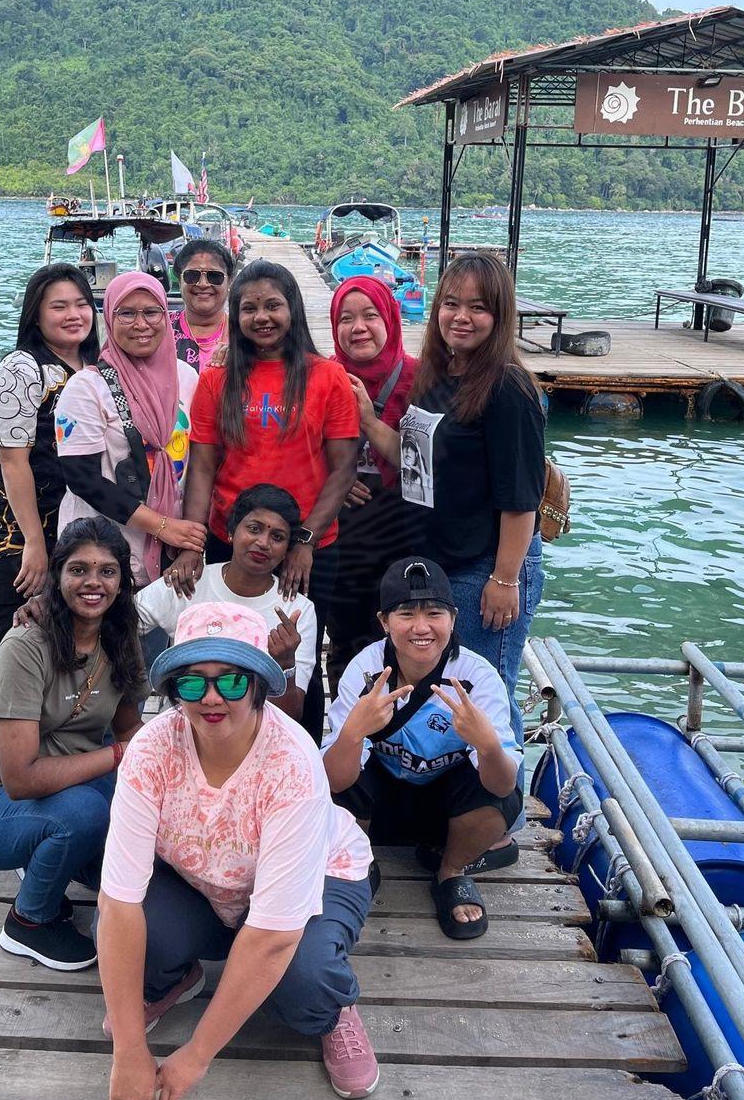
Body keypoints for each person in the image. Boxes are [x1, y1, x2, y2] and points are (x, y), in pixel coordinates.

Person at [96, 601, 379, 1100]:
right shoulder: (150, 749)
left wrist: (196, 1054)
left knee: (305, 983)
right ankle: (176, 978)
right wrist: (129, 1049)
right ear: (173, 690)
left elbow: (273, 936)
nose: (210, 698)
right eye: (191, 683)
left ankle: (335, 1009)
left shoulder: (292, 764)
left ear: (257, 685)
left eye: (230, 681)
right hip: (206, 882)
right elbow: (118, 902)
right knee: (127, 932)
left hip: (318, 879)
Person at [350, 250, 545, 750]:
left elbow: (522, 499)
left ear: (500, 316)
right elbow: (414, 459)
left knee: (484, 694)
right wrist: (369, 421)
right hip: (440, 560)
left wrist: (505, 579)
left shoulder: (508, 388)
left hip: (486, 564)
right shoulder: (439, 376)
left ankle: (505, 796)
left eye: (478, 308)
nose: (461, 317)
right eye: (451, 304)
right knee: (447, 692)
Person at [0, 518, 148, 971]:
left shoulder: (121, 639)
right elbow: (20, 780)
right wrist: (118, 756)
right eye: (78, 570)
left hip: (68, 780)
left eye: (107, 571)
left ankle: (54, 856)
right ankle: (29, 921)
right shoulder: (25, 646)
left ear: (122, 581)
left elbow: (128, 730)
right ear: (56, 577)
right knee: (86, 813)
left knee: (137, 811)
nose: (93, 582)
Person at [168, 262, 359, 740]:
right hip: (229, 540)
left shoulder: (328, 377)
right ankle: (219, 749)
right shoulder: (217, 381)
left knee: (298, 658)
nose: (262, 317)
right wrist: (192, 545)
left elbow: (343, 468)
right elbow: (202, 468)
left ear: (293, 308)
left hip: (309, 547)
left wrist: (305, 541)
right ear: (236, 316)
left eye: (273, 305)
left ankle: (299, 755)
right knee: (222, 657)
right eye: (249, 308)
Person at [323, 558, 522, 940]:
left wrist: (487, 745)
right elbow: (333, 781)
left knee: (501, 795)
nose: (421, 627)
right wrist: (353, 734)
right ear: (384, 622)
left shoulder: (478, 676)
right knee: (333, 782)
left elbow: (501, 786)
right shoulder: (365, 670)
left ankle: (451, 871)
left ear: (453, 618)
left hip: (443, 811)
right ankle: (359, 863)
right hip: (381, 806)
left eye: (434, 613)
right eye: (406, 614)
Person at [0, 265, 101, 737]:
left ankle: (40, 747)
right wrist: (35, 545)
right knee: (3, 646)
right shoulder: (21, 369)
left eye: (81, 304)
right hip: (18, 536)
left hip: (74, 532)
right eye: (58, 306)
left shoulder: (94, 366)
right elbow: (12, 460)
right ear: (35, 315)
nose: (73, 315)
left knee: (64, 644)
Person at [55, 271, 207, 587]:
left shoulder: (186, 377)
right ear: (109, 319)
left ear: (166, 316)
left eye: (151, 312)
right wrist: (162, 526)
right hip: (101, 556)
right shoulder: (87, 387)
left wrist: (188, 541)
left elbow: (199, 466)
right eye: (126, 313)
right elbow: (83, 479)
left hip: (171, 549)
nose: (141, 324)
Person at [136, 484, 317, 720]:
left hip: (256, 735)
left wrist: (285, 664)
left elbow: (290, 715)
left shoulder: (297, 609)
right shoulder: (189, 581)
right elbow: (119, 622)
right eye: (254, 529)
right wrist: (130, 695)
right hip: (185, 726)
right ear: (231, 532)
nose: (263, 542)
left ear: (286, 551)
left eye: (277, 537)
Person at [323, 277, 417, 693]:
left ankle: (397, 726)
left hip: (403, 533)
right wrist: (336, 480)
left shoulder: (419, 378)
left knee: (403, 644)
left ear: (390, 320)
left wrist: (367, 420)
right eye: (346, 319)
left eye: (370, 316)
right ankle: (348, 724)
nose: (358, 327)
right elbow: (298, 451)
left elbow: (422, 465)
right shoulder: (323, 376)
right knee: (343, 645)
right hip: (342, 537)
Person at [169, 237, 236, 373]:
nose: (203, 284)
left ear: (229, 281)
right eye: (192, 275)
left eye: (215, 276)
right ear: (180, 281)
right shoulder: (161, 328)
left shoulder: (244, 333)